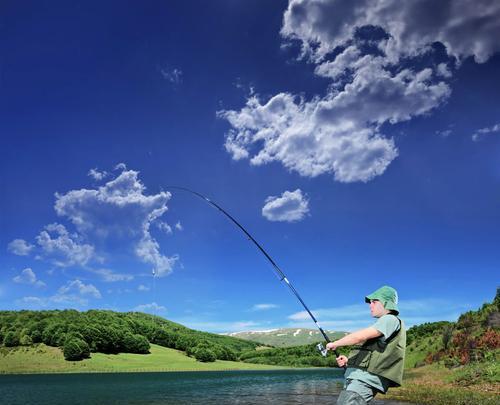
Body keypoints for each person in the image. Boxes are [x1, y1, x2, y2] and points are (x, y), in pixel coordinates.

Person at [326, 286, 406, 405]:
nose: (370, 305)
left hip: (364, 381)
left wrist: (335, 344)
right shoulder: (386, 322)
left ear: (386, 303)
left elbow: (359, 337)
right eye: (370, 302)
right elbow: (374, 354)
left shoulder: (390, 319)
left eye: (374, 301)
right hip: (359, 379)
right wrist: (349, 362)